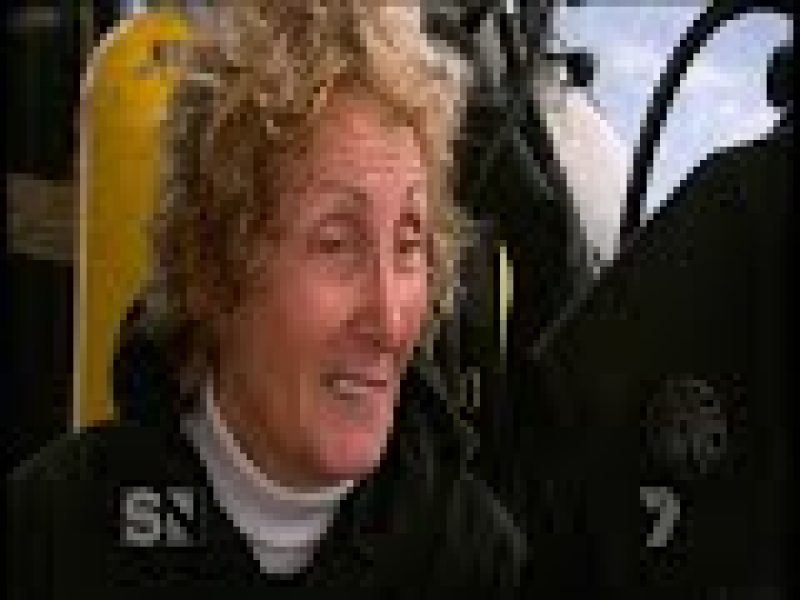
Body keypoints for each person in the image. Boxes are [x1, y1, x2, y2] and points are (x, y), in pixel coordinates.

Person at [8, 0, 526, 594]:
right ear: (214, 266)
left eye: (408, 245)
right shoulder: (56, 541)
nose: (388, 319)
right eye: (336, 244)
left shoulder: (470, 564)